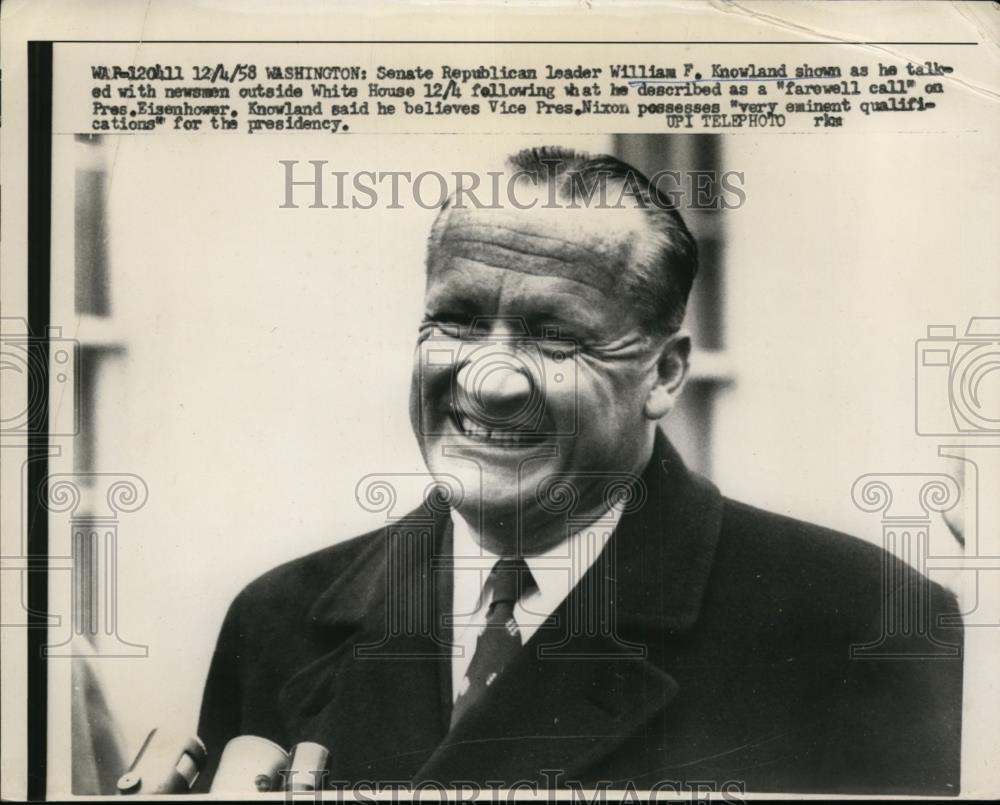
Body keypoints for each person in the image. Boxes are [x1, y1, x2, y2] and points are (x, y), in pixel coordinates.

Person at [196, 147, 963, 795]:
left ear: (663, 373)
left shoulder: (863, 628)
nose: (488, 379)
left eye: (554, 336)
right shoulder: (279, 622)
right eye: (456, 321)